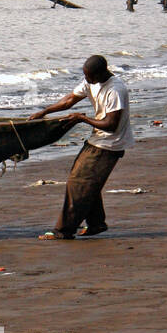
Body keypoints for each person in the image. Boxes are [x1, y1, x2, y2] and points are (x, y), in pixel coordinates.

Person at [29, 54, 134, 240]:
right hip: (97, 140)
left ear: (101, 73)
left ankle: (63, 230)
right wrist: (45, 111)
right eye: (85, 76)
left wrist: (82, 118)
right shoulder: (92, 81)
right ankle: (96, 224)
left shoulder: (115, 90)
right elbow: (70, 100)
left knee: (78, 184)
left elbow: (111, 125)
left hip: (110, 144)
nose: (87, 80)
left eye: (90, 76)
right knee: (85, 182)